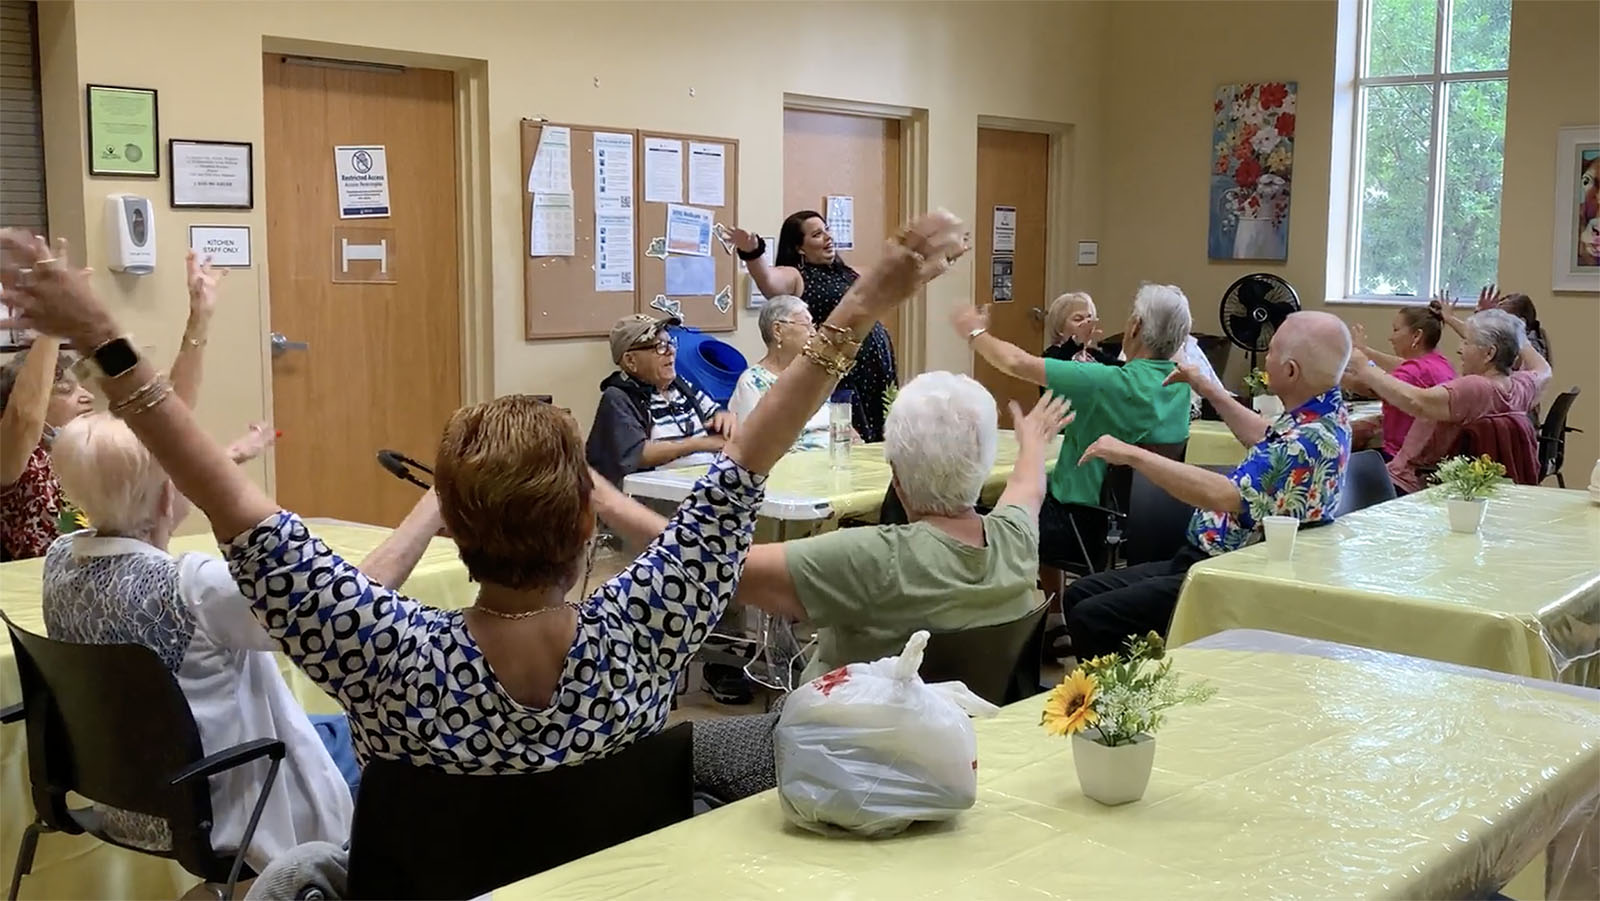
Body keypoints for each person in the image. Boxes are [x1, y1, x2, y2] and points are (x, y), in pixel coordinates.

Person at [0, 212, 970, 776]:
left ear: (451, 529)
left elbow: (226, 499)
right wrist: (870, 292)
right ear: (589, 518)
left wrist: (101, 334)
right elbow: (749, 457)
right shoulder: (650, 618)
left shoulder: (374, 644)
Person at [622, 376, 1069, 802]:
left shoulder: (872, 558)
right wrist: (1031, 443)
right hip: (952, 753)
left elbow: (703, 564)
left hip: (838, 761)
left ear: (895, 473)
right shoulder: (1016, 539)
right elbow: (1027, 486)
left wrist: (606, 500)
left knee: (669, 753)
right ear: (984, 464)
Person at [42, 412, 366, 871]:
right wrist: (434, 506)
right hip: (219, 805)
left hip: (127, 799)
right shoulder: (192, 587)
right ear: (166, 496)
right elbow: (345, 610)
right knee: (399, 748)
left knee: (333, 725)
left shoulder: (59, 562)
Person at [1062, 311, 1353, 661]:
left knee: (1092, 616)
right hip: (1210, 556)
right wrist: (1208, 388)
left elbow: (1224, 494)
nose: (1267, 358)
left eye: (1272, 352)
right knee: (1080, 594)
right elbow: (1264, 436)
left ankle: (1125, 703)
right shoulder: (1326, 417)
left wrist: (1133, 455)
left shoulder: (1305, 441)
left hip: (1228, 574)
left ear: (1291, 371)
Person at [952, 284, 1193, 575]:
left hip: (1078, 528)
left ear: (1136, 327)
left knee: (960, 515)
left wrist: (974, 332)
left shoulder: (1104, 382)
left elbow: (1016, 362)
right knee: (1042, 488)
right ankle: (1054, 612)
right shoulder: (1182, 386)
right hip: (1144, 529)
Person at [1, 248, 223, 560]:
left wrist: (199, 319)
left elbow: (168, 417)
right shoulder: (17, 462)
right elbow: (23, 418)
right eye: (65, 390)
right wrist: (56, 321)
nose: (86, 396)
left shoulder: (94, 447)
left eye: (81, 386)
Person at [726, 211, 898, 442]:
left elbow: (891, 279)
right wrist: (752, 252)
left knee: (883, 437)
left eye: (827, 230)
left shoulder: (848, 272)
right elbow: (768, 281)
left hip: (876, 368)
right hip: (843, 372)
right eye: (817, 234)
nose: (828, 238)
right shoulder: (796, 275)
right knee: (849, 439)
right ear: (800, 248)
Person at [1348, 307, 1550, 494]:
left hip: (1411, 487)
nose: (1460, 349)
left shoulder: (1475, 388)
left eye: (1467, 342)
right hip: (1458, 487)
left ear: (1489, 353)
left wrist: (1365, 368)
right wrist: (1516, 335)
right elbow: (1544, 370)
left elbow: (1417, 401)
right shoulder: (1521, 387)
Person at [585, 313, 736, 486]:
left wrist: (724, 416)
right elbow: (639, 454)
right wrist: (700, 444)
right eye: (660, 347)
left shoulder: (680, 385)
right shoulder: (618, 397)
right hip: (656, 494)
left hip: (704, 482)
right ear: (630, 361)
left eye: (671, 343)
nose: (671, 351)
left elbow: (715, 414)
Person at [1347, 306, 1457, 459]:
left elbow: (1371, 388)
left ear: (1417, 336)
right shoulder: (1440, 362)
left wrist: (1333, 373)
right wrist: (1365, 351)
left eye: (1396, 330)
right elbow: (1401, 364)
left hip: (1402, 459)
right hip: (1431, 454)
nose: (1391, 338)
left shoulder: (1415, 371)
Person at [727, 295, 829, 451]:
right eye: (806, 325)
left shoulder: (816, 373)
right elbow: (753, 444)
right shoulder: (752, 382)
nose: (813, 333)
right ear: (778, 330)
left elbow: (839, 422)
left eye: (813, 325)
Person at [1474, 285, 1552, 366]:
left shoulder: (1533, 345)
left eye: (1502, 319)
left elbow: (1510, 364)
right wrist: (1481, 317)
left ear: (1521, 322)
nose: (1496, 323)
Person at [1042, 292, 1116, 364]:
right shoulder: (1052, 355)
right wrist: (1076, 341)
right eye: (1078, 319)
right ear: (1060, 328)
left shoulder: (1094, 354)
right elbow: (1059, 366)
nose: (1087, 322)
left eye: (1089, 318)